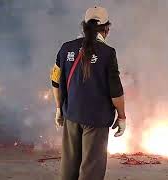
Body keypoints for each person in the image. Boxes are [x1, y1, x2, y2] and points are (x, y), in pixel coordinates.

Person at [50, 7, 126, 180]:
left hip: (71, 116)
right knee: (91, 168)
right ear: (106, 29)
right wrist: (122, 116)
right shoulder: (108, 53)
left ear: (84, 26)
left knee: (69, 166)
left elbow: (55, 81)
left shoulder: (66, 48)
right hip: (96, 120)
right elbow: (116, 91)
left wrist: (58, 109)